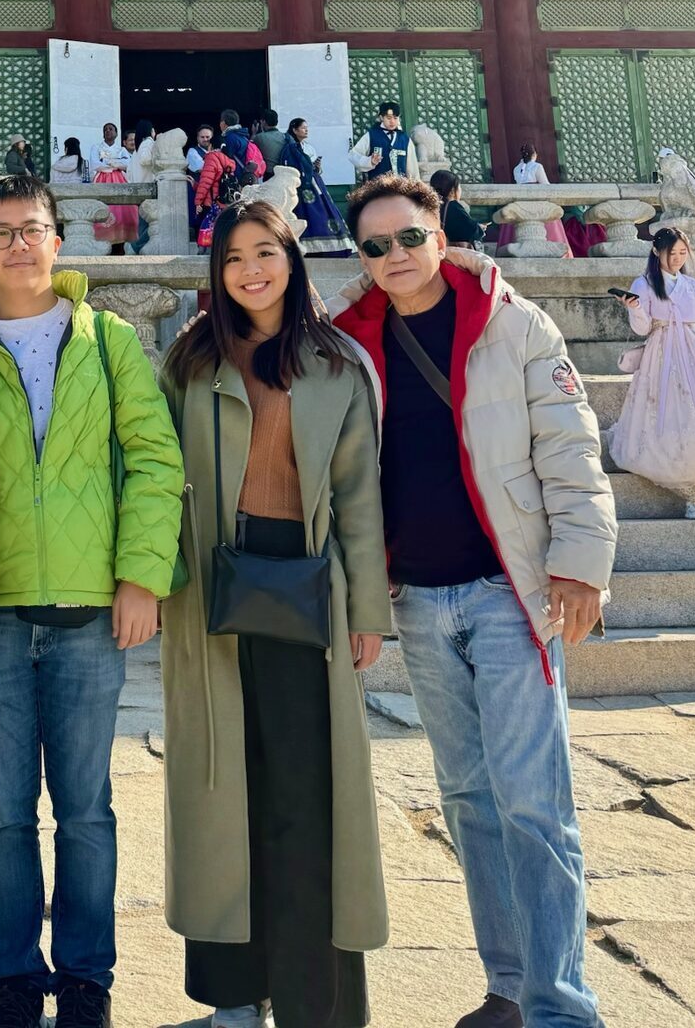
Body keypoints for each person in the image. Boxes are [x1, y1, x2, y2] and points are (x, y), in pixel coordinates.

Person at [331, 174, 617, 1028]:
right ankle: (508, 985)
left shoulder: (512, 323)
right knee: (467, 798)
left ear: (441, 232)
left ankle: (562, 1005)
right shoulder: (348, 342)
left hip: (508, 591)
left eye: (410, 238)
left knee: (534, 800)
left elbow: (570, 448)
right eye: (375, 246)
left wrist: (582, 565)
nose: (396, 257)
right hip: (418, 599)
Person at [0, 174, 186, 1028]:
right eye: (0, 231)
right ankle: (14, 975)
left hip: (89, 608)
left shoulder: (109, 339)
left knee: (85, 807)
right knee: (4, 810)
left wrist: (141, 576)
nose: (17, 245)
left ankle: (86, 977)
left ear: (58, 240)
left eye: (32, 229)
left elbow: (155, 459)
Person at [159, 201, 391, 1028]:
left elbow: (361, 497)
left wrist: (365, 609)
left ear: (293, 260)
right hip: (212, 590)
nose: (251, 269)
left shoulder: (337, 364)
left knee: (307, 788)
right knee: (223, 785)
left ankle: (312, 998)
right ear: (215, 271)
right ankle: (231, 991)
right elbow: (154, 480)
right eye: (233, 257)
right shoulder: (188, 360)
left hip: (307, 586)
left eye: (266, 252)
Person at [610, 227, 695, 519]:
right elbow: (642, 328)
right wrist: (635, 309)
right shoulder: (645, 283)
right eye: (670, 252)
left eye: (682, 253)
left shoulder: (693, 286)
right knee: (674, 418)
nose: (676, 258)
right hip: (662, 357)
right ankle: (694, 497)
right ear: (656, 252)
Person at [278, 117, 355, 256]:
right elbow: (291, 167)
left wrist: (316, 167)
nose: (306, 130)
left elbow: (312, 167)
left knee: (324, 212)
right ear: (294, 130)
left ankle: (331, 246)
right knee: (308, 214)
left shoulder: (308, 147)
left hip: (315, 183)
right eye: (303, 128)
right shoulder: (290, 148)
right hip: (302, 186)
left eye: (307, 128)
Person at [501, 142, 570, 254]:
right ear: (534, 154)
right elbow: (545, 185)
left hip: (520, 201)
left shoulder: (516, 169)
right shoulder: (537, 166)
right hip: (536, 200)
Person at [92, 122, 137, 252]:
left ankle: (121, 241)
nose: (108, 131)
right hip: (101, 179)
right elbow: (95, 163)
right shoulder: (96, 147)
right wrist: (113, 164)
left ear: (116, 133)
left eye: (111, 129)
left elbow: (127, 163)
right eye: (105, 129)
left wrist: (112, 163)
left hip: (119, 179)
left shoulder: (121, 149)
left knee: (123, 209)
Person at [350, 102, 418, 180]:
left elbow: (413, 169)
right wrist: (370, 161)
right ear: (381, 117)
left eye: (395, 118)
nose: (392, 121)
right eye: (389, 118)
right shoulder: (371, 136)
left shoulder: (405, 139)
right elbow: (353, 155)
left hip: (400, 189)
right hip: (378, 188)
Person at [430, 169, 487, 250]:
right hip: (455, 253)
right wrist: (479, 228)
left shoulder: (431, 206)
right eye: (459, 186)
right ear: (453, 190)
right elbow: (470, 230)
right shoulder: (452, 206)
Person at [127, 118, 156, 253]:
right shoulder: (148, 143)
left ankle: (138, 249)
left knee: (143, 223)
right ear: (150, 131)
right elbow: (146, 160)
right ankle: (135, 246)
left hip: (138, 189)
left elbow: (129, 172)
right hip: (149, 188)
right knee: (156, 223)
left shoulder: (136, 149)